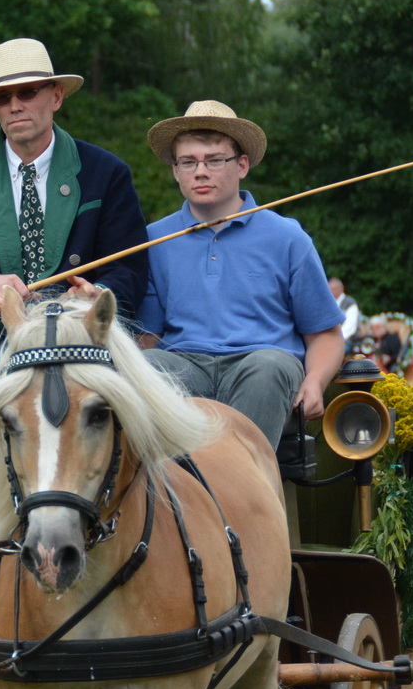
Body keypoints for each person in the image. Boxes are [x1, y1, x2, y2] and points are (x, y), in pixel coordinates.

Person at [0, 38, 149, 458]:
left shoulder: (106, 172)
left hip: (84, 338)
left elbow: (130, 269)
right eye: (2, 97)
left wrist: (98, 296)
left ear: (56, 97)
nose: (15, 106)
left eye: (27, 92)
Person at [136, 100, 344, 448]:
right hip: (184, 367)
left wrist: (315, 382)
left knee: (268, 367)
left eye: (215, 160)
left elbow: (326, 335)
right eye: (188, 162)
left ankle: (240, 478)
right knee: (149, 366)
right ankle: (168, 481)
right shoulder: (154, 240)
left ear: (242, 165)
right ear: (175, 170)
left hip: (262, 369)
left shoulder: (287, 237)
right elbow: (147, 338)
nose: (200, 172)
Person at [330, 278, 360, 344]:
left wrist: (336, 340)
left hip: (348, 340)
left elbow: (350, 327)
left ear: (341, 288)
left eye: (335, 289)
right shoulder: (327, 304)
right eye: (330, 289)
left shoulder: (350, 303)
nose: (332, 291)